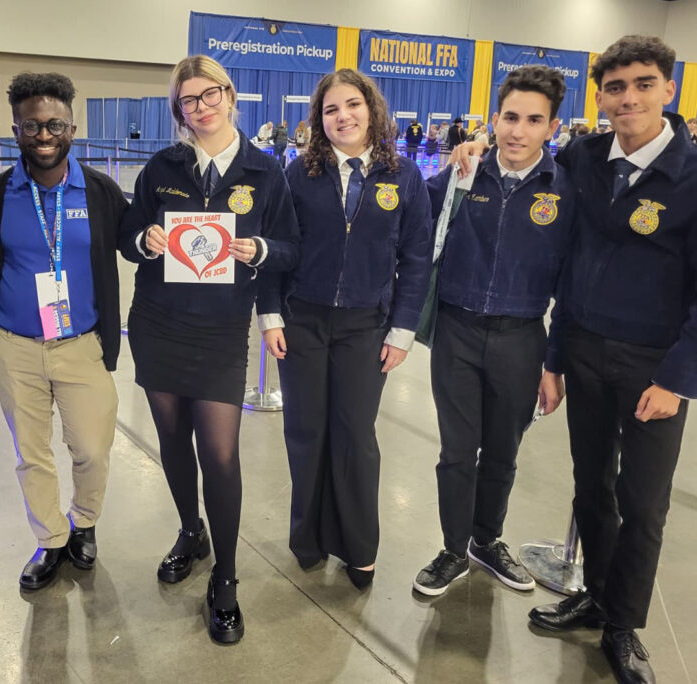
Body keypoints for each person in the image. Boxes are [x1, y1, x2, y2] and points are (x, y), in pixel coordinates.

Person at [453, 35, 695, 684]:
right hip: (584, 350)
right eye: (615, 88)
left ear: (669, 89)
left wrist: (678, 379)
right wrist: (555, 358)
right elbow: (556, 236)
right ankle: (594, 596)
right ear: (600, 99)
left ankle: (623, 626)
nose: (629, 98)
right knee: (592, 487)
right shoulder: (584, 159)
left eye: (643, 84)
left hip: (654, 367)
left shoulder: (692, 174)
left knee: (643, 502)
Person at [117, 55, 299, 644]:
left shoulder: (265, 171)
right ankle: (190, 532)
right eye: (189, 99)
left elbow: (291, 248)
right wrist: (145, 239)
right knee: (172, 441)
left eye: (210, 93)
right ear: (179, 110)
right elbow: (128, 236)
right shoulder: (162, 167)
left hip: (221, 331)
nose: (202, 106)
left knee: (220, 455)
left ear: (230, 95)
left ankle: (226, 575)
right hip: (159, 322)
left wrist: (260, 250)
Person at [265, 68, 431, 590]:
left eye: (353, 105)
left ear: (371, 109)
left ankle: (359, 547)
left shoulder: (403, 176)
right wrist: (270, 315)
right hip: (303, 320)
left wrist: (402, 329)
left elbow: (417, 258)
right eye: (331, 109)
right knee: (305, 431)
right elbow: (277, 248)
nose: (343, 117)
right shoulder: (298, 174)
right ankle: (308, 539)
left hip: (366, 325)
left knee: (355, 434)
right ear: (319, 119)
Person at [413, 65, 575, 597]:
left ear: (552, 126)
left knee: (503, 452)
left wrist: (554, 363)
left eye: (533, 120)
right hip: (457, 333)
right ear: (495, 118)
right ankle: (452, 550)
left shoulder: (565, 191)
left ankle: (486, 539)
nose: (518, 131)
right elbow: (412, 218)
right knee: (457, 451)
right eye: (510, 117)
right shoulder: (463, 176)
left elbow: (571, 287)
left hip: (523, 337)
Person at [0, 72, 127, 592]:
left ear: (72, 128)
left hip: (81, 345)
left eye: (55, 125)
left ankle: (84, 521)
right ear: (15, 130)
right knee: (32, 454)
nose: (44, 135)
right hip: (14, 347)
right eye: (32, 125)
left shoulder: (100, 191)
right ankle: (51, 538)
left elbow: (139, 242)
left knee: (91, 449)